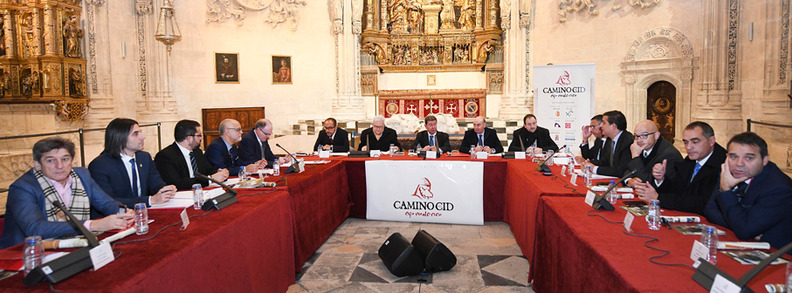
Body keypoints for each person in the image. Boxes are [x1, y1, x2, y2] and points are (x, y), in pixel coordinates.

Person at [0, 137, 133, 249]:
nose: (60, 166)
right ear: (37, 164)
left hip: (74, 245)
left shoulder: (82, 175)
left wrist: (124, 212)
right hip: (25, 254)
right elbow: (36, 229)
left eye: (65, 159)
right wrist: (92, 225)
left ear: (72, 160)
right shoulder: (23, 188)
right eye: (51, 160)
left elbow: (106, 203)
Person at [703, 132, 792, 250]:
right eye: (733, 156)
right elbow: (709, 210)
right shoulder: (728, 171)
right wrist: (740, 223)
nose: (739, 164)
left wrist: (725, 191)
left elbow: (744, 231)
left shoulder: (779, 188)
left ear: (765, 160)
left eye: (749, 158)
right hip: (743, 243)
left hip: (774, 255)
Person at [633, 121, 726, 215]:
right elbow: (676, 189)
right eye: (686, 142)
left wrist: (658, 197)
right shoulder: (690, 161)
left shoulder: (723, 165)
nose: (688, 147)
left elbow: (701, 203)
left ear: (711, 141)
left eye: (695, 142)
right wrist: (661, 179)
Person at [89, 118, 176, 208]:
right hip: (115, 217)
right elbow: (108, 201)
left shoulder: (144, 158)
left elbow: (156, 184)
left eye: (140, 132)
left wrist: (166, 190)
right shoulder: (100, 165)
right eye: (135, 134)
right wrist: (150, 200)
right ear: (119, 138)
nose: (143, 137)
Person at [154, 120, 230, 191]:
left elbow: (207, 171)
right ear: (189, 138)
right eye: (199, 135)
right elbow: (177, 183)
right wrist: (210, 179)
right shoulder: (166, 156)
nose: (201, 138)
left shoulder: (197, 152)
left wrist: (220, 172)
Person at [624, 120, 683, 186]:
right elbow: (628, 169)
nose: (639, 140)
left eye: (644, 135)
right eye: (636, 136)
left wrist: (635, 156)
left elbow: (649, 183)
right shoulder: (642, 146)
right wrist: (628, 180)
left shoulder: (668, 154)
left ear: (656, 135)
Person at [582, 110, 634, 177]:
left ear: (613, 126)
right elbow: (604, 162)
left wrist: (594, 168)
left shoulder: (627, 141)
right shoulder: (611, 140)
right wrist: (588, 164)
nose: (601, 126)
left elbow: (621, 170)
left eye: (603, 123)